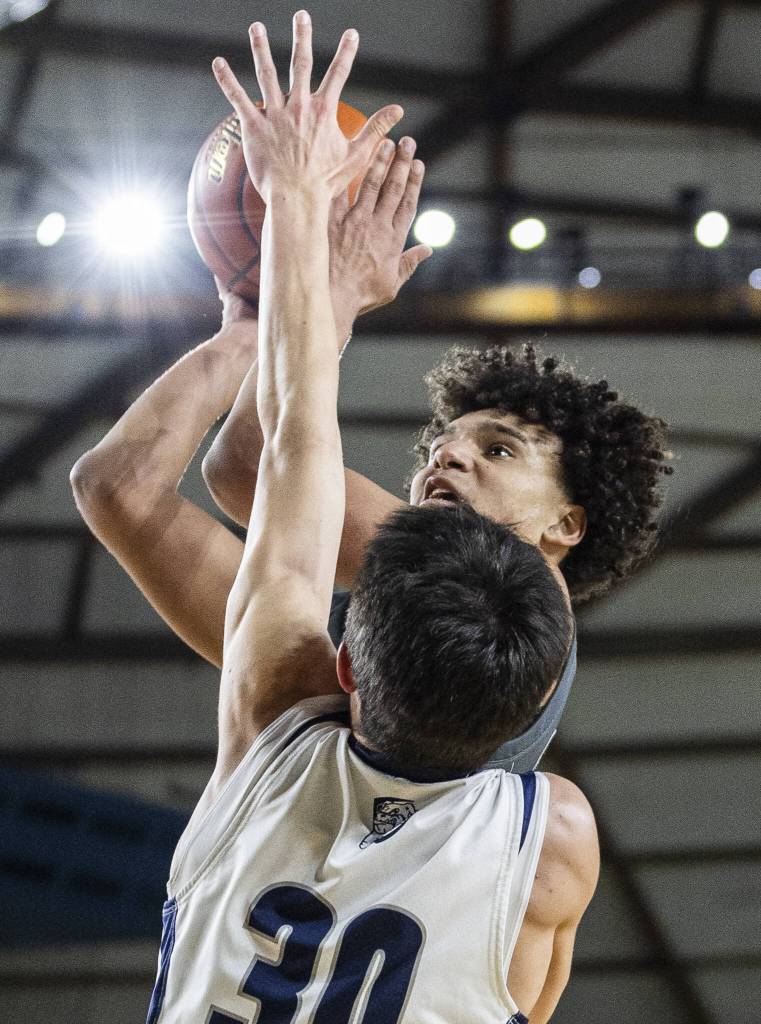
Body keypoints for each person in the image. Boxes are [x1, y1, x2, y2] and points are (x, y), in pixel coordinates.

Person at [126, 13, 597, 1021]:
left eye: (500, 450)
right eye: (449, 444)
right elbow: (261, 463)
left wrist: (300, 242)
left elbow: (286, 452)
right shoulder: (551, 838)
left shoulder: (275, 718)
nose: (450, 458)